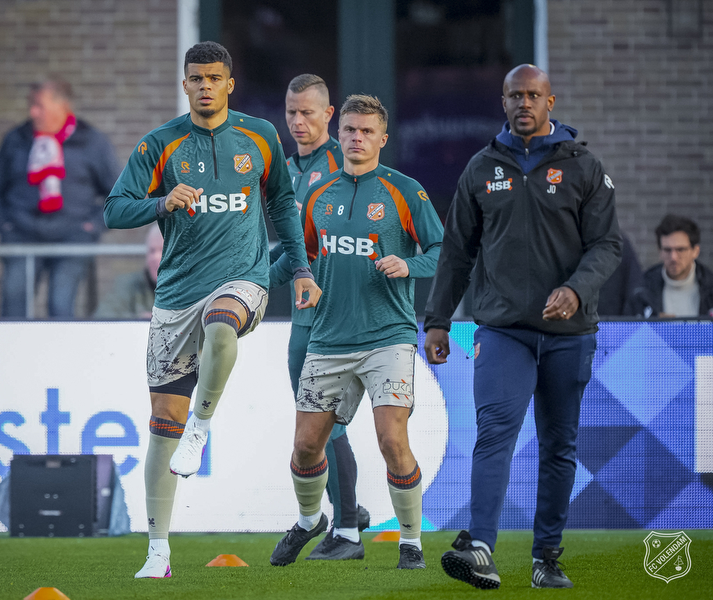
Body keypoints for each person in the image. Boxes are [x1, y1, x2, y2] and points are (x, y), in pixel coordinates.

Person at [104, 41, 321, 579]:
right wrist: (161, 202)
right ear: (185, 85)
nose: (205, 86)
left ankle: (201, 427)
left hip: (242, 281)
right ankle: (158, 552)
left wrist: (299, 268)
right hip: (176, 295)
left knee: (222, 322)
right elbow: (114, 210)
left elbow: (281, 204)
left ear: (230, 84)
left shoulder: (260, 136)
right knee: (162, 427)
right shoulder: (160, 144)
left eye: (214, 78)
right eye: (196, 78)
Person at [423, 65, 622, 589]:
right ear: (504, 101)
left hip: (569, 334)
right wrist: (437, 320)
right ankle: (480, 548)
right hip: (503, 330)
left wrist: (575, 289)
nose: (524, 103)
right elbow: (457, 251)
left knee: (558, 446)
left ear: (550, 102)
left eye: (534, 95)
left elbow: (607, 245)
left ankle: (546, 558)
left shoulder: (584, 167)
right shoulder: (480, 168)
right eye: (516, 95)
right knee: (495, 433)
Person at [268, 94, 443, 570]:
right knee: (306, 446)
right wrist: (251, 282)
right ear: (339, 133)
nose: (357, 138)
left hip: (388, 338)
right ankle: (310, 520)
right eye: (349, 130)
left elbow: (441, 250)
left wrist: (409, 265)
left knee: (392, 440)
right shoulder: (317, 196)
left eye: (366, 131)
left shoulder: (404, 190)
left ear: (382, 138)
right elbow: (297, 256)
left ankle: (411, 542)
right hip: (327, 339)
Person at [269, 74, 369, 557]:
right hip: (303, 314)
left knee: (326, 422)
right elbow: (291, 245)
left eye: (307, 112)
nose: (297, 121)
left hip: (338, 315)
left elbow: (322, 245)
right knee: (314, 424)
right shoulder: (286, 169)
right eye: (291, 112)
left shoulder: (342, 164)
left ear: (329, 114)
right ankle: (347, 510)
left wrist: (256, 281)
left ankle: (347, 526)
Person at [0, 77, 120, 318]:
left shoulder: (91, 141)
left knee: (60, 306)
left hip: (72, 237)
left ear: (62, 106)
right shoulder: (17, 139)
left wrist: (93, 225)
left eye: (39, 106)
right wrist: (5, 226)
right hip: (22, 235)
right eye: (31, 105)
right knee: (13, 308)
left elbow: (119, 192)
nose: (32, 112)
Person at [627, 214, 713, 318]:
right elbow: (628, 325)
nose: (673, 257)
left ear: (696, 251)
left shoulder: (710, 287)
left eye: (680, 250)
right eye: (667, 250)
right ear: (660, 251)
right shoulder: (641, 290)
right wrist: (654, 325)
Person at [93, 226, 163, 319]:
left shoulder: (183, 289)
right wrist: (137, 320)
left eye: (164, 250)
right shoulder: (129, 284)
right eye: (152, 251)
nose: (155, 257)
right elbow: (102, 317)